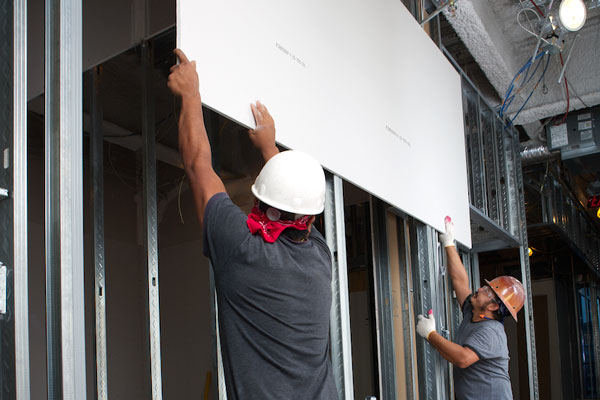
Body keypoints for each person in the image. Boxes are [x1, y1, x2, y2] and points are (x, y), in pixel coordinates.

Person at [167, 48, 337, 400]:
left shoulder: (241, 247)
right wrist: (269, 147)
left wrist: (190, 93)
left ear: (259, 200)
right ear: (313, 219)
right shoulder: (320, 257)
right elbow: (297, 203)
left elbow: (200, 167)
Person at [416, 216, 526, 400]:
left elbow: (462, 358)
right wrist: (449, 243)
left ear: (492, 305)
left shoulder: (491, 332)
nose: (480, 288)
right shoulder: (473, 312)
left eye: (488, 291)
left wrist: (431, 335)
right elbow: (460, 282)